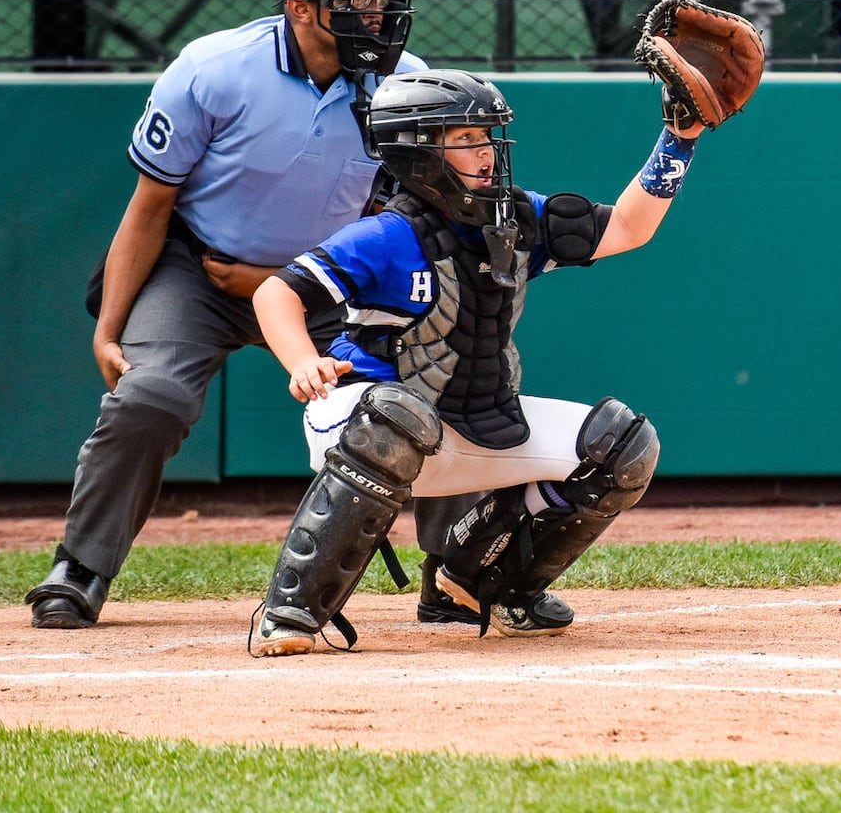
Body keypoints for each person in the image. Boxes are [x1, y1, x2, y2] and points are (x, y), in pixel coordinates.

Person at [25, 0, 430, 630]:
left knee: (437, 389)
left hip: (325, 279)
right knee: (148, 399)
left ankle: (462, 575)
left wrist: (286, 280)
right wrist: (109, 327)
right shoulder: (213, 67)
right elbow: (149, 208)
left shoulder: (404, 79)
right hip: (200, 270)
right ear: (300, 8)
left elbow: (399, 217)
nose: (378, 15)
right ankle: (79, 568)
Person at [247, 68, 705, 657]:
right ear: (418, 152)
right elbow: (276, 293)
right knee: (397, 418)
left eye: (487, 136)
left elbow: (627, 227)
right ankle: (290, 612)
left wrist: (679, 138)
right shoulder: (387, 235)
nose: (486, 152)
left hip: (468, 419)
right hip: (358, 420)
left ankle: (484, 579)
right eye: (465, 139)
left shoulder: (513, 220)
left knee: (622, 448)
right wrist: (301, 360)